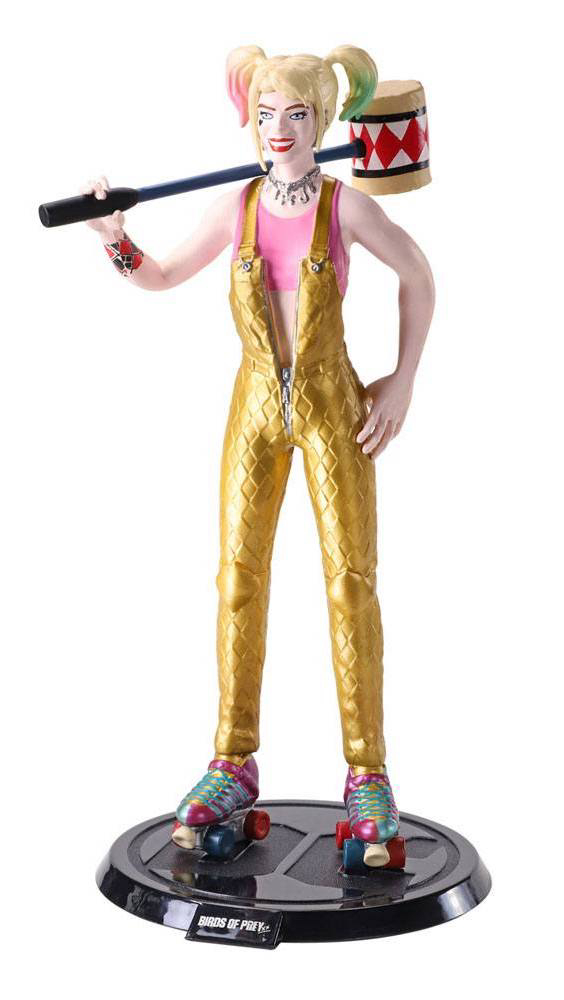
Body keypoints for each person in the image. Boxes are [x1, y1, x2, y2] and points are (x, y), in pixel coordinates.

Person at [83, 44, 435, 860]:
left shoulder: (345, 208)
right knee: (238, 578)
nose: (279, 130)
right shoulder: (237, 208)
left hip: (332, 406)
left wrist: (402, 382)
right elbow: (162, 276)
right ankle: (232, 762)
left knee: (350, 582)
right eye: (269, 113)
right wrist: (114, 238)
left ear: (323, 120)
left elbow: (418, 275)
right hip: (253, 410)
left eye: (297, 115)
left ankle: (368, 774)